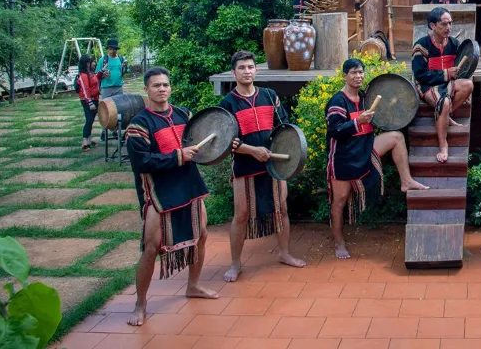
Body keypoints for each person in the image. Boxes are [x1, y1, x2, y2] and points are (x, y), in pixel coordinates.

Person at [124, 67, 217, 326]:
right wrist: (178, 156)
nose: (162, 89)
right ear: (146, 89)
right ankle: (140, 303)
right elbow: (141, 162)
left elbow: (200, 145)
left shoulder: (183, 114)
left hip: (189, 185)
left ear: (170, 87)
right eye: (156, 85)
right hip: (158, 193)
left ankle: (193, 286)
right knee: (151, 248)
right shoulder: (138, 126)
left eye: (165, 84)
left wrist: (221, 146)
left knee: (202, 236)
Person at [326, 58, 428, 259]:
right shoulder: (337, 102)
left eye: (361, 72)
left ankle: (406, 181)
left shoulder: (365, 97)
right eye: (354, 73)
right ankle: (339, 242)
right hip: (344, 157)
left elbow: (382, 118)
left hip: (365, 147)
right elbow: (335, 131)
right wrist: (357, 122)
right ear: (344, 75)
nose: (358, 76)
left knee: (397, 137)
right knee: (339, 201)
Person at [219, 51, 306, 282]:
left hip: (274, 165)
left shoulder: (270, 96)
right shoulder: (227, 104)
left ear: (256, 70)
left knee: (282, 209)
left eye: (250, 67)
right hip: (245, 165)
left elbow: (283, 128)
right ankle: (235, 264)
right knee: (241, 215)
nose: (247, 71)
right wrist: (252, 151)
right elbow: (227, 143)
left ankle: (284, 253)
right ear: (233, 72)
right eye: (242, 68)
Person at [411, 7, 474, 163]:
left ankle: (445, 115)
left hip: (448, 84)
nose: (448, 28)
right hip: (427, 86)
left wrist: (458, 73)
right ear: (433, 26)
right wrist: (446, 73)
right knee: (444, 101)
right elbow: (420, 75)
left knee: (468, 85)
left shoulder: (454, 43)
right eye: (444, 24)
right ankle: (443, 145)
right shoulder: (421, 46)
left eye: (450, 24)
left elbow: (460, 70)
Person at [75, 54, 104, 151]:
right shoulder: (83, 75)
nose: (93, 63)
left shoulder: (91, 73)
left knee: (91, 120)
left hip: (94, 98)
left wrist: (101, 73)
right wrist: (90, 103)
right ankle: (84, 142)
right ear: (86, 63)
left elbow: (95, 80)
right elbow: (85, 89)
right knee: (89, 120)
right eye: (90, 62)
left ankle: (88, 140)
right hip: (88, 100)